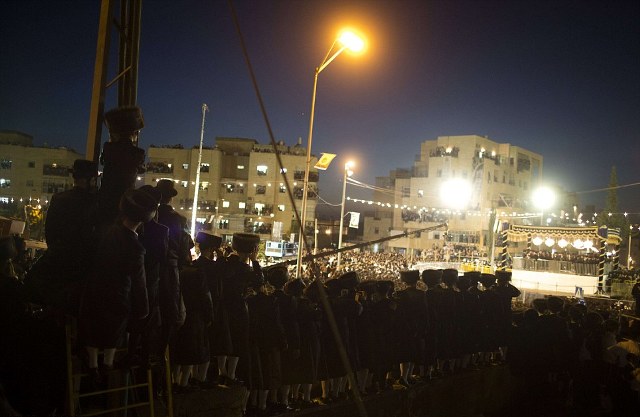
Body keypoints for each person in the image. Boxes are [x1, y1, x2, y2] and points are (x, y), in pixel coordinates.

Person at [79, 189, 155, 387]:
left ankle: (92, 365)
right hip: (118, 296)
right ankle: (107, 364)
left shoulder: (105, 232)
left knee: (92, 329)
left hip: (94, 290)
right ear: (141, 221)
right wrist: (143, 309)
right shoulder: (136, 248)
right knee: (113, 330)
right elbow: (139, 281)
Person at [28, 159, 99, 315]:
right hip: (83, 266)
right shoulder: (95, 202)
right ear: (90, 179)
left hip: (59, 262)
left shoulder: (59, 198)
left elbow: (50, 231)